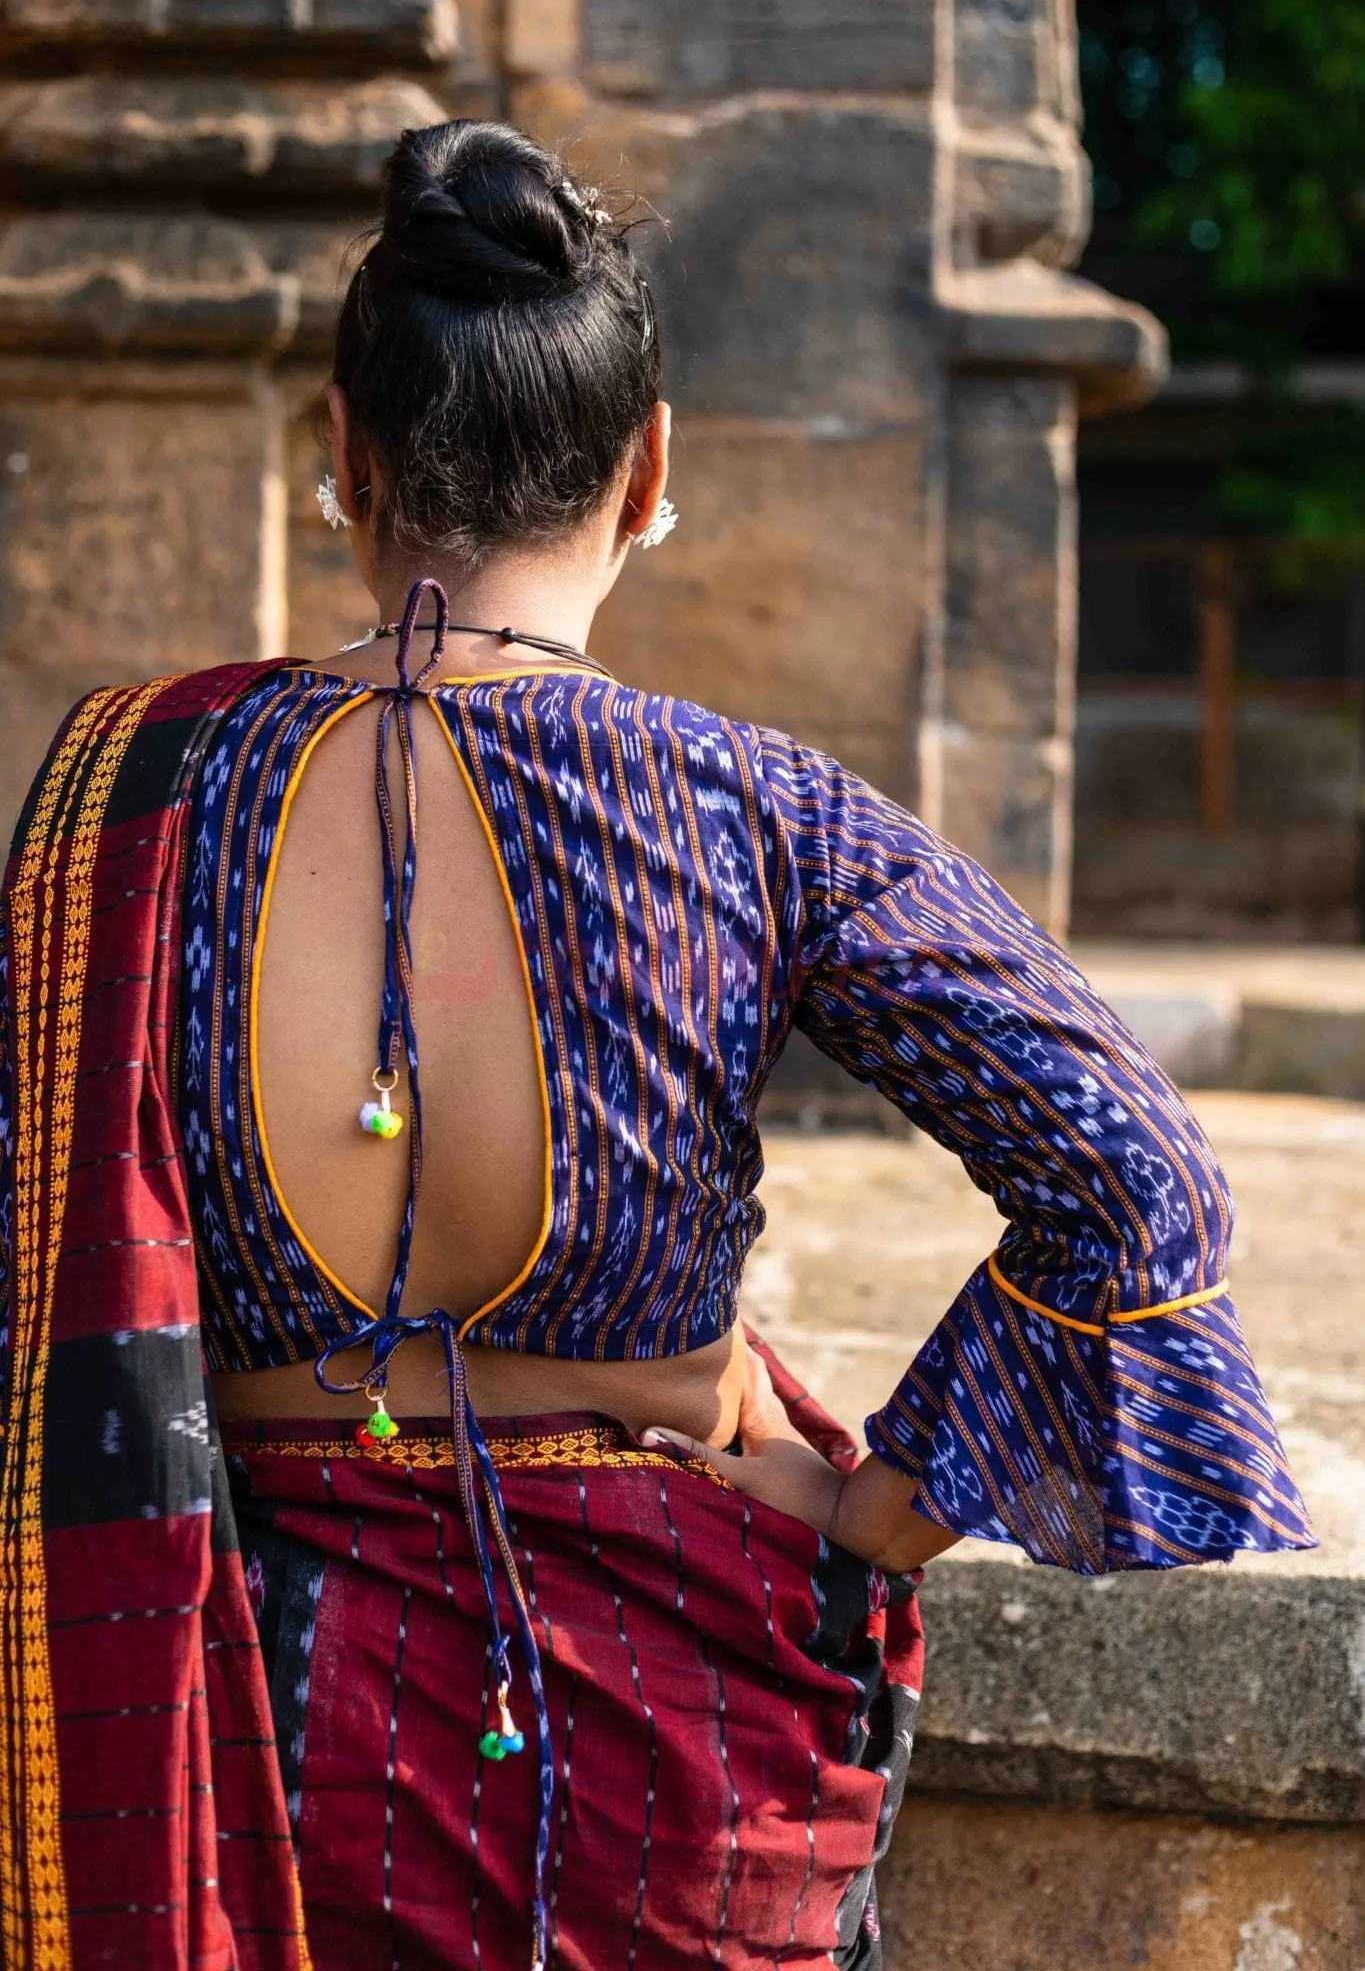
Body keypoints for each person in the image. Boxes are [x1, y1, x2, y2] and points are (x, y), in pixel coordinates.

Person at [0, 120, 1312, 1971]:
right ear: (651, 467)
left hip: (247, 1739)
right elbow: (1139, 1184)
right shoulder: (753, 810)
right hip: (665, 1745)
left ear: (344, 454)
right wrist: (879, 1501)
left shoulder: (131, 795)